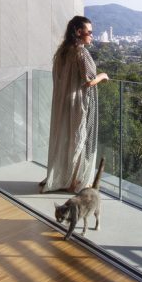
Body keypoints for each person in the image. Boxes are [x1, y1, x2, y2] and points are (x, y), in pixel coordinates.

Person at [41, 15, 109, 192]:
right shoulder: (81, 52)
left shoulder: (62, 52)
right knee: (79, 139)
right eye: (90, 32)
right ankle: (74, 182)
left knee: (66, 139)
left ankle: (62, 177)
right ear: (79, 32)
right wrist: (103, 76)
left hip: (63, 102)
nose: (92, 35)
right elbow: (89, 80)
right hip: (78, 103)